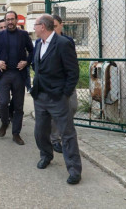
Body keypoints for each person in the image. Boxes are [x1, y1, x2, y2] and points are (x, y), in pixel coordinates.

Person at [31, 14, 82, 185]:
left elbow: (73, 72)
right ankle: (46, 155)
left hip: (58, 98)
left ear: (43, 26)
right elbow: (36, 66)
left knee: (67, 134)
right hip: (40, 96)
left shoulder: (63, 43)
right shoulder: (38, 43)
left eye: (35, 25)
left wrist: (65, 94)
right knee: (40, 131)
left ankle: (74, 170)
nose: (34, 28)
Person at [0, 11, 34, 145]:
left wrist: (26, 62)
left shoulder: (24, 35)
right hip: (4, 73)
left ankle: (16, 133)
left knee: (19, 106)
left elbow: (32, 51)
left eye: (12, 19)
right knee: (3, 102)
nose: (10, 22)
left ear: (16, 20)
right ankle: (4, 122)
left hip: (19, 74)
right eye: (7, 19)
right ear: (5, 21)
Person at [49, 14, 78, 153]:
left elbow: (73, 63)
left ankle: (62, 131)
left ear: (61, 25)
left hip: (68, 82)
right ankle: (55, 139)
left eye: (55, 26)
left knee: (72, 107)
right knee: (56, 111)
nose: (53, 30)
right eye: (50, 27)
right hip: (53, 84)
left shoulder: (68, 41)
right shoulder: (44, 42)